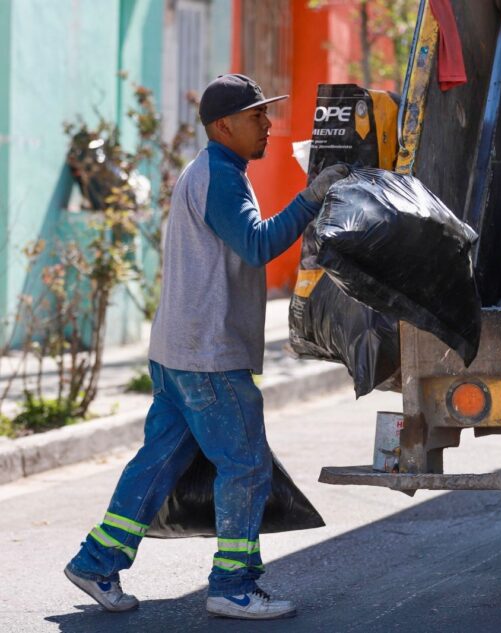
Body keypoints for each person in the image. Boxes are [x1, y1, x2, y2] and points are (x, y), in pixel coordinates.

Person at [64, 73, 348, 620]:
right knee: (244, 465)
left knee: (159, 462)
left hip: (178, 351)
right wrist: (311, 197)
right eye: (256, 116)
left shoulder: (210, 170)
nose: (267, 123)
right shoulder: (219, 176)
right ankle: (233, 585)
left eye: (266, 113)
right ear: (224, 125)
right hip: (208, 356)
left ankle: (97, 560)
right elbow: (258, 244)